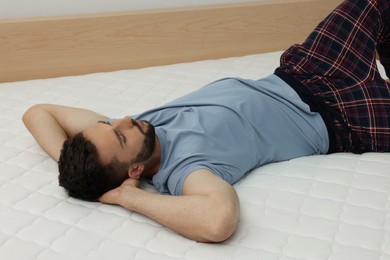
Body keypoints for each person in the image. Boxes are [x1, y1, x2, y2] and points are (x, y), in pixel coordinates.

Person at [23, 0, 390, 243]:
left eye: (109, 125)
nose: (124, 120)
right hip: (342, 119)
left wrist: (74, 167)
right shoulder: (185, 171)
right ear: (134, 170)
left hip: (304, 71)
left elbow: (37, 112)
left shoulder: (137, 131)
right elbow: (218, 222)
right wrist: (124, 199)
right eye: (119, 136)